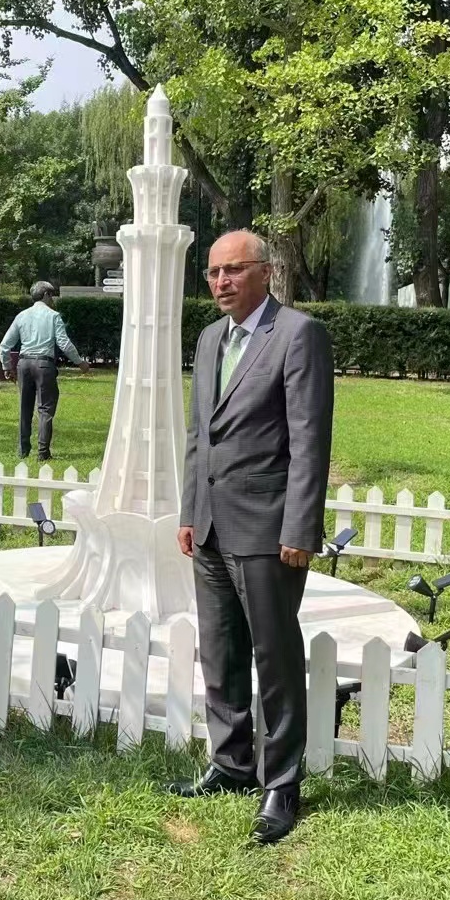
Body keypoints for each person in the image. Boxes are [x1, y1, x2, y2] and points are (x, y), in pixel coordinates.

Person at [172, 230, 334, 847]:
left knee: (274, 654)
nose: (220, 282)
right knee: (220, 651)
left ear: (265, 272)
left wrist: (299, 525)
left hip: (269, 530)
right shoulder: (211, 339)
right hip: (211, 525)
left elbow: (309, 439)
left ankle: (281, 783)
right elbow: (200, 436)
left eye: (233, 270)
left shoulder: (297, 335)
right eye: (213, 273)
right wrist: (191, 510)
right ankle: (233, 763)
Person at [0, 281, 89, 461]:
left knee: (25, 408)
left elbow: (4, 345)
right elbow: (63, 343)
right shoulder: (53, 316)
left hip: (23, 364)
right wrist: (80, 362)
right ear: (46, 295)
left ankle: (23, 450)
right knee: (45, 409)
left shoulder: (21, 316)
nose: (53, 299)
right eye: (52, 294)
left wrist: (6, 366)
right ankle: (43, 452)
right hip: (44, 365)